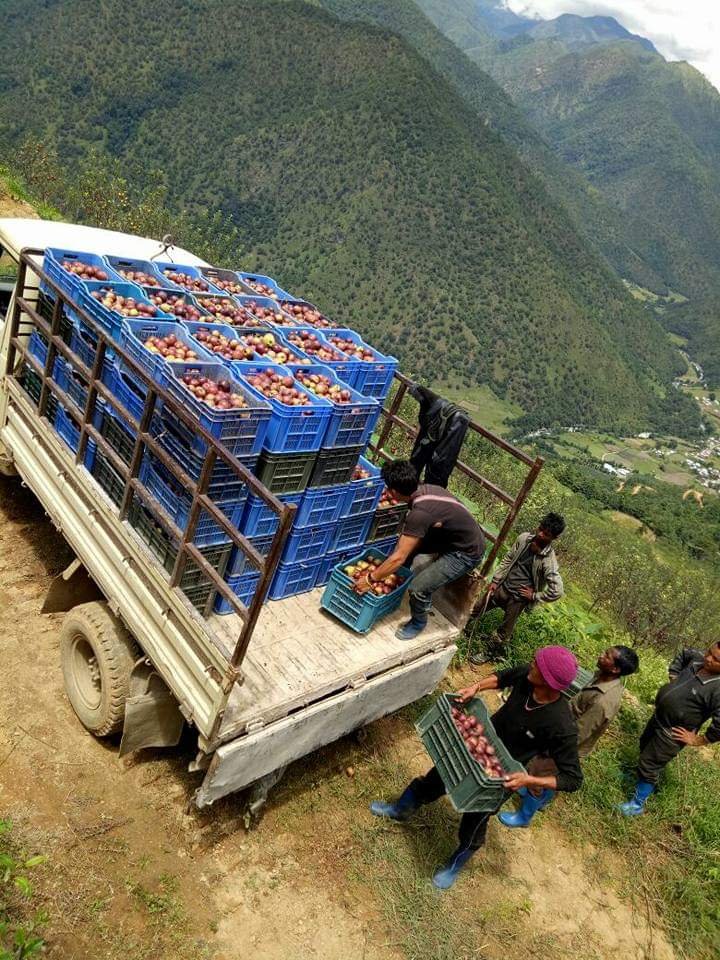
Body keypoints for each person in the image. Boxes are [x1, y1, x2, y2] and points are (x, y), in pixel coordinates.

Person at [369, 646, 582, 889]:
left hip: (500, 775)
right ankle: (400, 809)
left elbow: (572, 778)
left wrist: (529, 780)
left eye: (538, 665)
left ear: (550, 681)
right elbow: (501, 677)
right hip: (477, 743)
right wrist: (476, 687)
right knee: (438, 777)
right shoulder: (528, 676)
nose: (532, 664)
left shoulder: (561, 725)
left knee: (475, 821)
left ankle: (453, 867)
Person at [498, 645, 639, 828]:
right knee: (547, 771)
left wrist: (552, 746)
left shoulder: (603, 702)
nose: (600, 654)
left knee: (540, 771)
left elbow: (579, 733)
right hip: (564, 729)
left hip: (565, 742)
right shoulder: (604, 677)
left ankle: (524, 816)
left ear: (615, 669)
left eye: (606, 655)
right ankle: (542, 799)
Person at [354, 460, 485, 640]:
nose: (386, 491)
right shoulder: (425, 489)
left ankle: (418, 622)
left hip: (465, 552)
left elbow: (398, 558)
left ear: (394, 492)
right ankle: (396, 582)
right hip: (451, 536)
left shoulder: (420, 513)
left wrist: (371, 579)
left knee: (418, 588)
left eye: (387, 488)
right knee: (405, 549)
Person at [618, 642, 720, 816]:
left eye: (715, 659)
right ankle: (638, 779)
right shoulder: (697, 661)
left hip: (672, 733)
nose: (708, 658)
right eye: (709, 652)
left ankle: (637, 804)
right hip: (658, 718)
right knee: (644, 746)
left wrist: (699, 740)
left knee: (650, 764)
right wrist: (674, 675)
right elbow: (684, 653)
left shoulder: (717, 689)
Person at [469, 513, 566, 664]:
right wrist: (496, 580)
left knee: (504, 631)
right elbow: (508, 558)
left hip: (518, 599)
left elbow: (557, 590)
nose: (540, 534)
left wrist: (534, 596)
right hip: (502, 587)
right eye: (540, 528)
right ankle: (460, 629)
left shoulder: (549, 561)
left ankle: (489, 652)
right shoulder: (524, 539)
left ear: (554, 538)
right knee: (476, 608)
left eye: (546, 534)